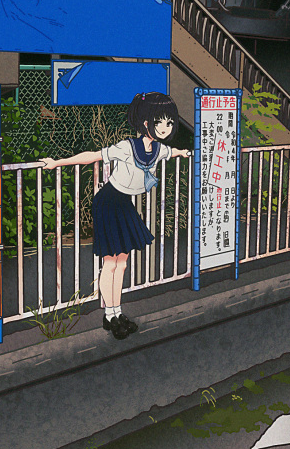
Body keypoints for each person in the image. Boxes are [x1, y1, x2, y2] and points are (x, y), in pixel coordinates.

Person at [41, 92, 190, 340]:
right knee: (110, 263)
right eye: (161, 122)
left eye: (170, 123)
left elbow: (171, 152)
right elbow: (94, 156)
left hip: (123, 205)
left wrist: (182, 154)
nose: (166, 127)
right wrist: (58, 162)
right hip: (108, 202)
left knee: (121, 262)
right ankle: (109, 315)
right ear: (146, 123)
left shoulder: (159, 149)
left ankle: (116, 311)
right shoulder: (126, 147)